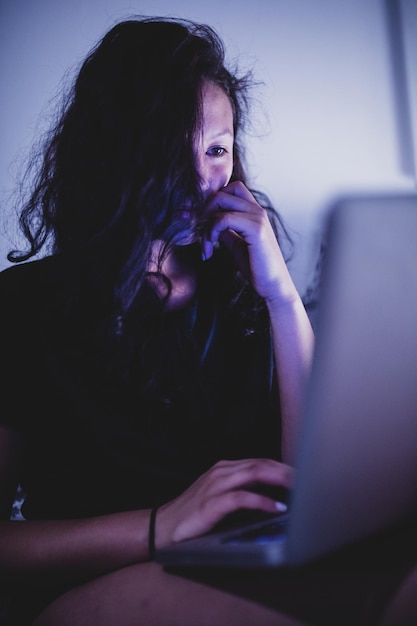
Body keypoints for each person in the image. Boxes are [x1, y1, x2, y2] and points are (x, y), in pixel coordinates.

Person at [0, 16, 315, 625]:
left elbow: (309, 489)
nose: (202, 180)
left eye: (217, 149)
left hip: (247, 563)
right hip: (101, 583)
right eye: (171, 149)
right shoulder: (24, 305)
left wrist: (281, 295)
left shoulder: (243, 289)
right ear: (115, 152)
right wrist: (159, 527)